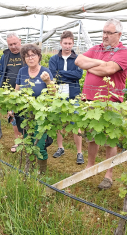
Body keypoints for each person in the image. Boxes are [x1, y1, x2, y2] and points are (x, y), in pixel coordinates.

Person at [75, 18, 127, 189]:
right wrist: (100, 63)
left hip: (110, 103)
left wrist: (90, 66)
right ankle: (90, 167)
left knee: (110, 140)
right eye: (104, 32)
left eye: (109, 33)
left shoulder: (123, 52)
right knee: (92, 137)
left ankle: (108, 174)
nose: (105, 36)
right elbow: (78, 61)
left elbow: (109, 70)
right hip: (90, 100)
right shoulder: (97, 48)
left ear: (119, 34)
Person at [15, 44, 55, 173]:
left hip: (41, 114)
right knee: (28, 142)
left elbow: (54, 93)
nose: (30, 58)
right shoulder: (22, 71)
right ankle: (30, 169)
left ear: (38, 56)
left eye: (33, 55)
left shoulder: (45, 71)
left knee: (39, 145)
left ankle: (42, 173)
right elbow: (16, 91)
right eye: (27, 56)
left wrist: (48, 81)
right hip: (26, 114)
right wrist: (12, 107)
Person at [49, 30, 84, 164]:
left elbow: (78, 75)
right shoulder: (53, 59)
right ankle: (60, 147)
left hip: (74, 95)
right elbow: (53, 75)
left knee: (76, 123)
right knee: (59, 123)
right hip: (58, 95)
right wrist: (69, 73)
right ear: (61, 43)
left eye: (70, 43)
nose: (67, 46)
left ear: (73, 43)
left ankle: (79, 152)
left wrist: (61, 73)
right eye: (65, 43)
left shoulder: (77, 59)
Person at [0, 32, 24, 151]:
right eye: (10, 44)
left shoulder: (26, 54)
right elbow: (0, 71)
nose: (13, 46)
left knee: (25, 117)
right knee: (13, 117)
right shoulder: (5, 56)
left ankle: (27, 141)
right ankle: (18, 141)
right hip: (9, 92)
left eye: (15, 43)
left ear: (20, 41)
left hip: (24, 92)